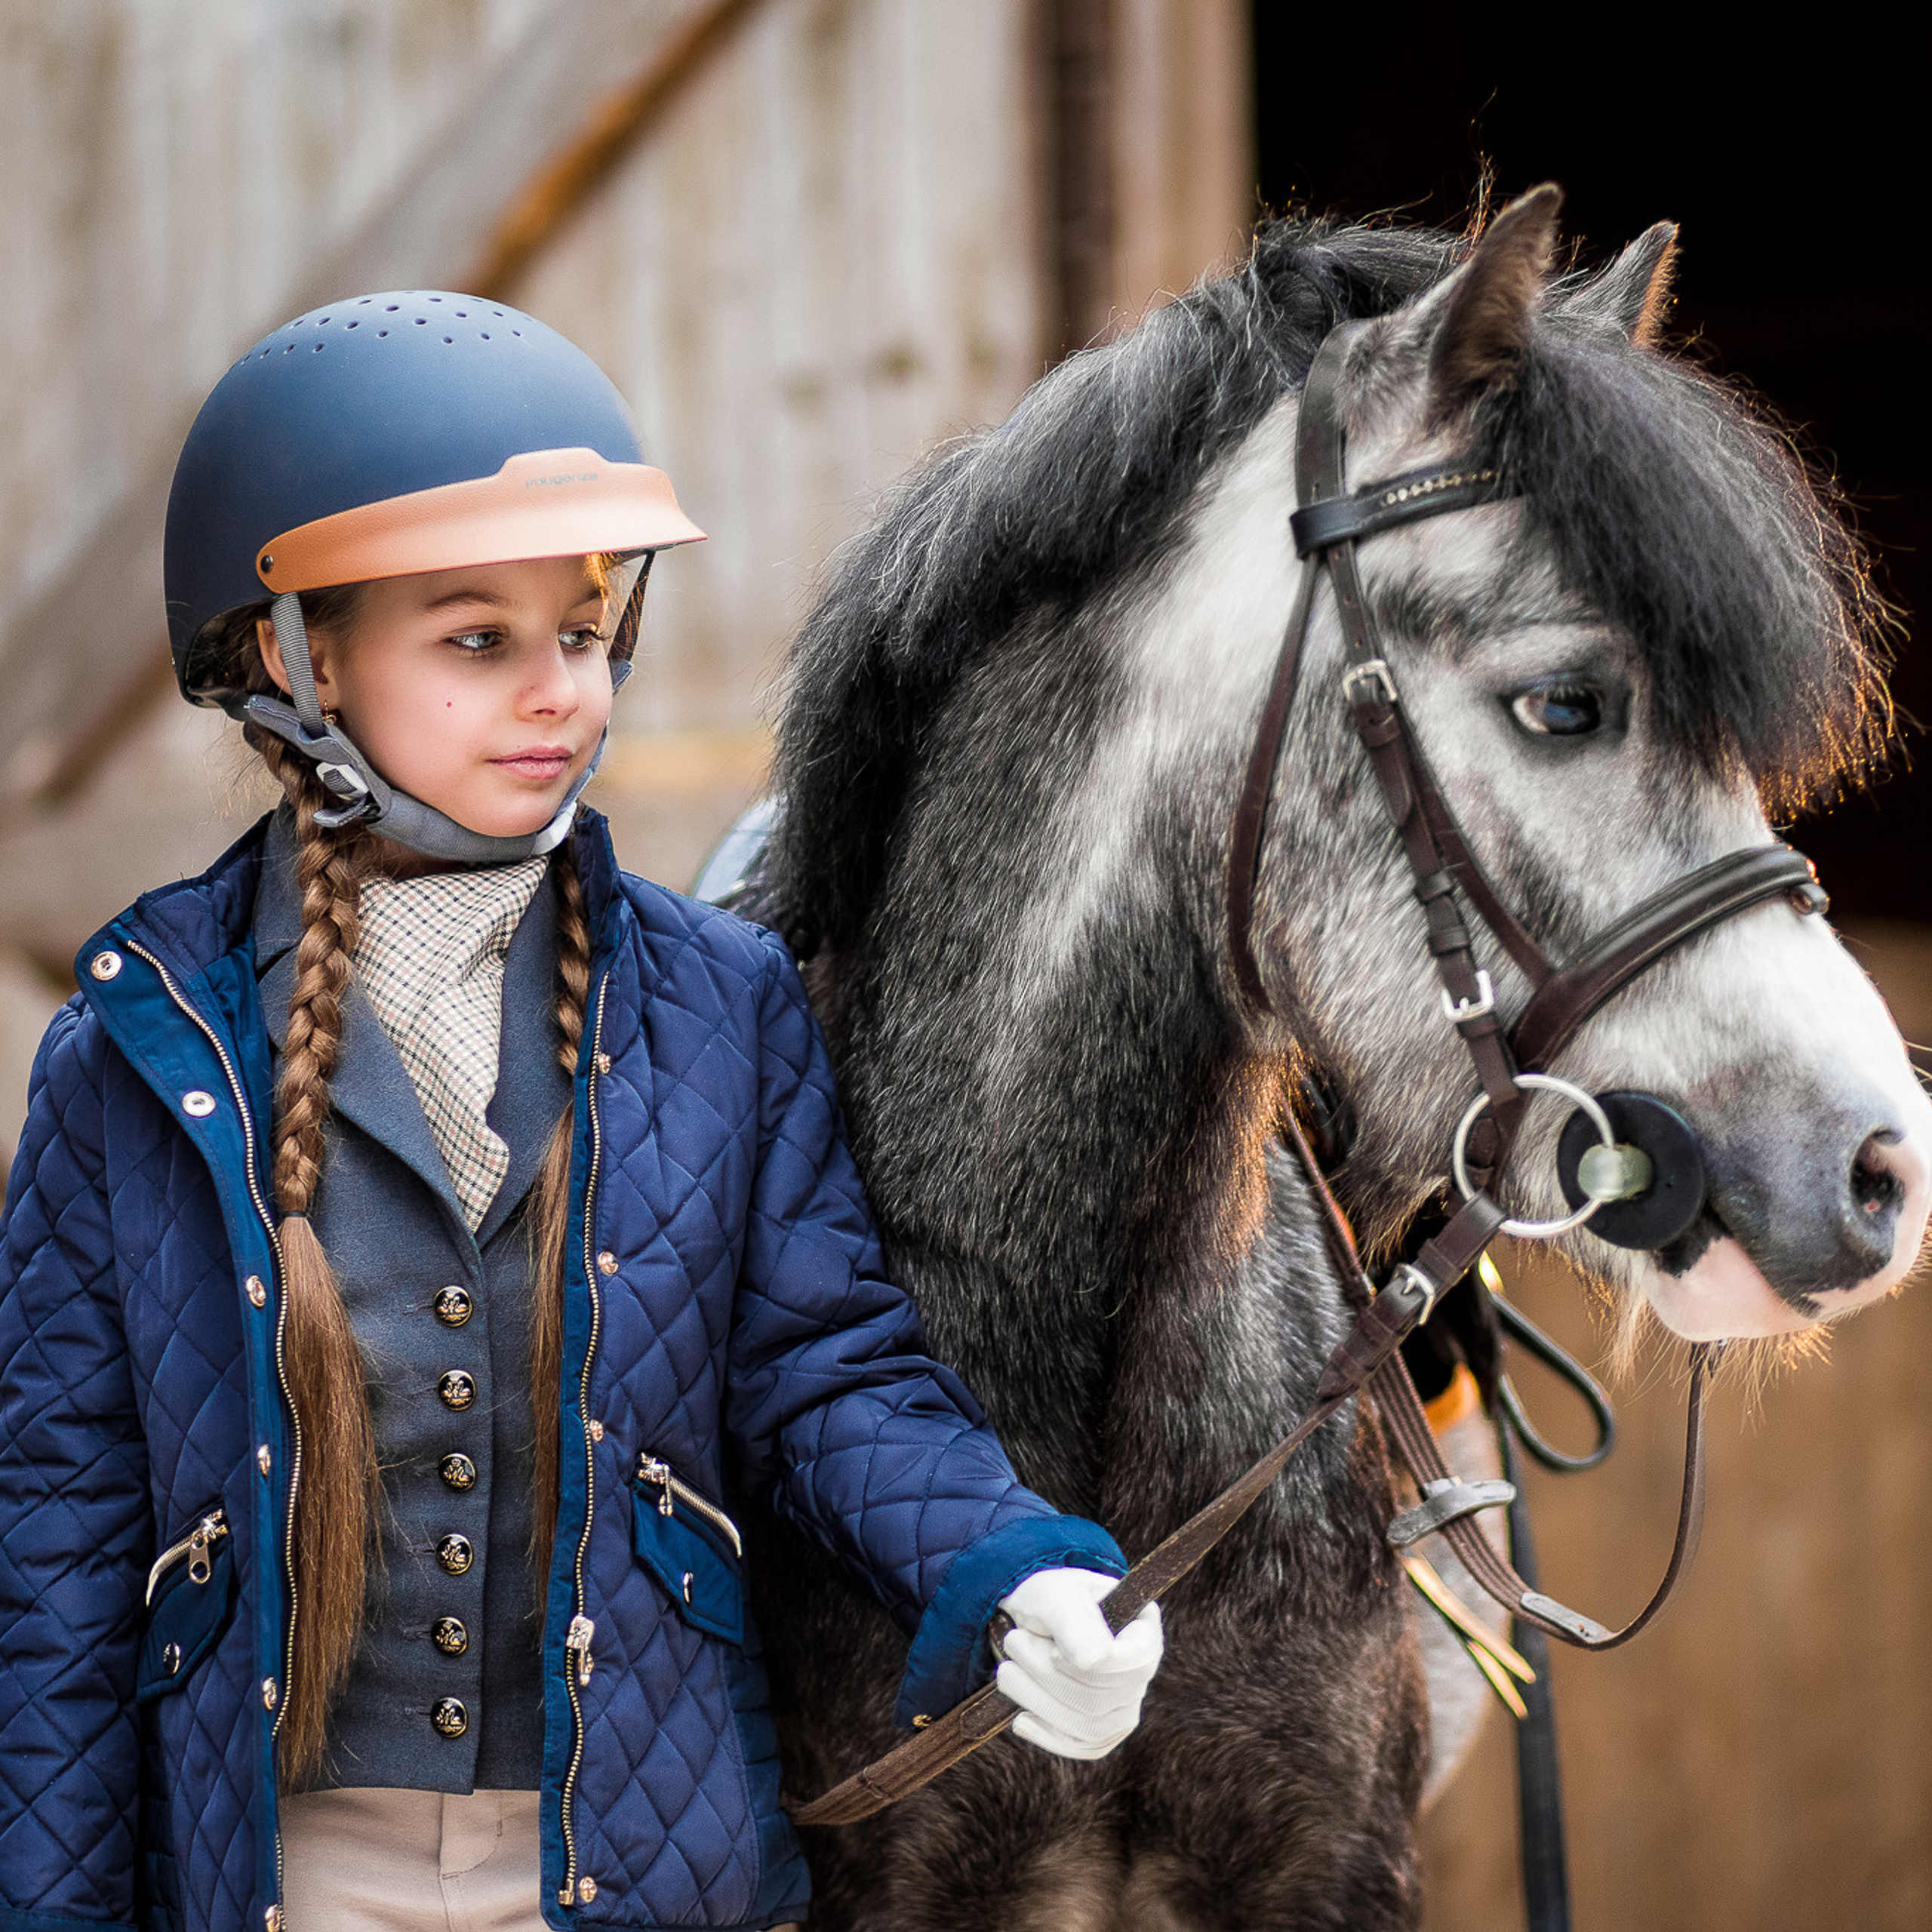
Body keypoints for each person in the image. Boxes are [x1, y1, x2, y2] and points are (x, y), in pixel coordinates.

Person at [0, 292, 1162, 1932]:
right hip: (283, 1880)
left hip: (637, 1871)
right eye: (476, 638)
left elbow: (826, 1367)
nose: (559, 689)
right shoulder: (133, 1044)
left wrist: (1016, 1563)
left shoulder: (722, 1001)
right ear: (289, 657)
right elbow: (55, 1541)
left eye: (586, 628)